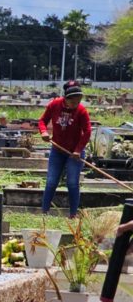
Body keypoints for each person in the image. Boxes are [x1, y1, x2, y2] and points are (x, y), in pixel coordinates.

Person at [39, 80, 92, 218]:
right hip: (57, 150)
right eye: (73, 102)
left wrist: (78, 150)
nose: (76, 104)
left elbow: (87, 131)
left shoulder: (81, 111)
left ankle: (73, 214)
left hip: (74, 153)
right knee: (51, 182)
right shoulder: (54, 104)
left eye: (78, 101)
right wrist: (44, 132)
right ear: (66, 99)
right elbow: (42, 121)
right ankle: (44, 212)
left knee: (72, 183)